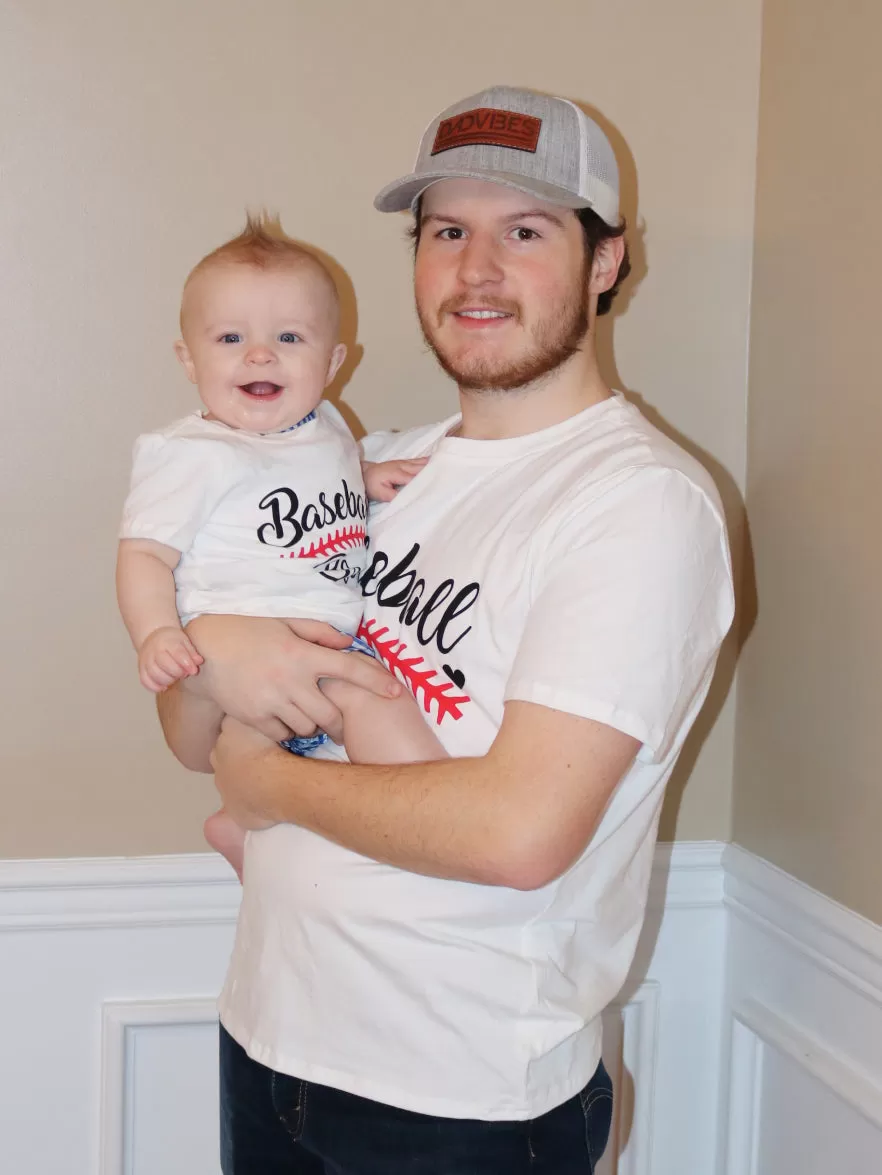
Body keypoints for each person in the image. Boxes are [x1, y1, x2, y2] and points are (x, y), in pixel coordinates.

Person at [158, 86, 735, 1173]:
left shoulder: (639, 503)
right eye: (447, 232)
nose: (477, 269)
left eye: (525, 232)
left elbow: (518, 833)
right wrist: (217, 657)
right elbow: (192, 734)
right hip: (269, 1040)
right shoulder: (365, 470)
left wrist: (267, 784)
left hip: (458, 1102)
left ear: (607, 262)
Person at [118, 215, 443, 876]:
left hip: (324, 638)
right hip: (262, 637)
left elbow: (331, 475)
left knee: (289, 748)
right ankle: (439, 816)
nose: (259, 355)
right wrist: (155, 633)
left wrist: (368, 477)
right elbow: (144, 554)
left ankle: (238, 823)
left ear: (331, 363)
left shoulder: (325, 424)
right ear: (188, 357)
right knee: (381, 709)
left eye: (289, 337)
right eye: (231, 337)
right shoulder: (192, 454)